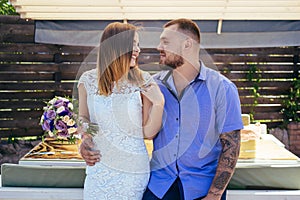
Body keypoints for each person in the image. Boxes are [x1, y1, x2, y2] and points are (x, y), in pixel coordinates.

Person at [80, 19, 243, 200]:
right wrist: (86, 139)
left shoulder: (222, 88)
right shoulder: (152, 85)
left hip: (201, 188)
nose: (158, 47)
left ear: (187, 44)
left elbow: (232, 147)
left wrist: (214, 195)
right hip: (160, 186)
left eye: (165, 42)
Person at [77, 22, 164, 200]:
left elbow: (147, 132)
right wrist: (86, 138)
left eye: (138, 45)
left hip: (132, 171)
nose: (138, 50)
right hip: (99, 168)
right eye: (133, 44)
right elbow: (83, 118)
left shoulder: (143, 80)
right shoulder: (87, 80)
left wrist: (159, 104)